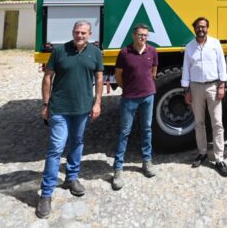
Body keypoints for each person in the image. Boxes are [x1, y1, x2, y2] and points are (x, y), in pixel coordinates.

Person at [36, 20, 103, 219]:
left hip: (82, 108)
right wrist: (46, 104)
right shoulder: (59, 51)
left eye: (83, 32)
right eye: (76, 32)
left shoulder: (95, 53)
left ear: (90, 34)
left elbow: (99, 79)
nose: (79, 35)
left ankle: (71, 178)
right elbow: (48, 77)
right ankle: (46, 194)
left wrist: (97, 103)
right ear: (72, 33)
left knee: (77, 142)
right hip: (59, 108)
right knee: (56, 147)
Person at [112, 23, 159, 190]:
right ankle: (118, 168)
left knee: (147, 129)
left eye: (145, 35)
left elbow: (153, 70)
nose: (143, 38)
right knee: (125, 132)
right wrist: (127, 87)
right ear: (133, 35)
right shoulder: (124, 53)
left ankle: (147, 162)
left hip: (148, 96)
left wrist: (146, 86)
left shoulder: (152, 51)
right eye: (140, 35)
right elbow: (118, 75)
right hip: (129, 98)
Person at [181, 17, 227, 177]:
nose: (201, 29)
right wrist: (186, 90)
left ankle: (219, 159)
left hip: (213, 87)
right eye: (198, 27)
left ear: (207, 28)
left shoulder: (215, 44)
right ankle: (202, 153)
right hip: (195, 87)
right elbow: (186, 69)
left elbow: (222, 64)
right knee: (199, 123)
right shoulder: (189, 47)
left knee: (217, 123)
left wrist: (222, 85)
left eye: (203, 26)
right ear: (194, 28)